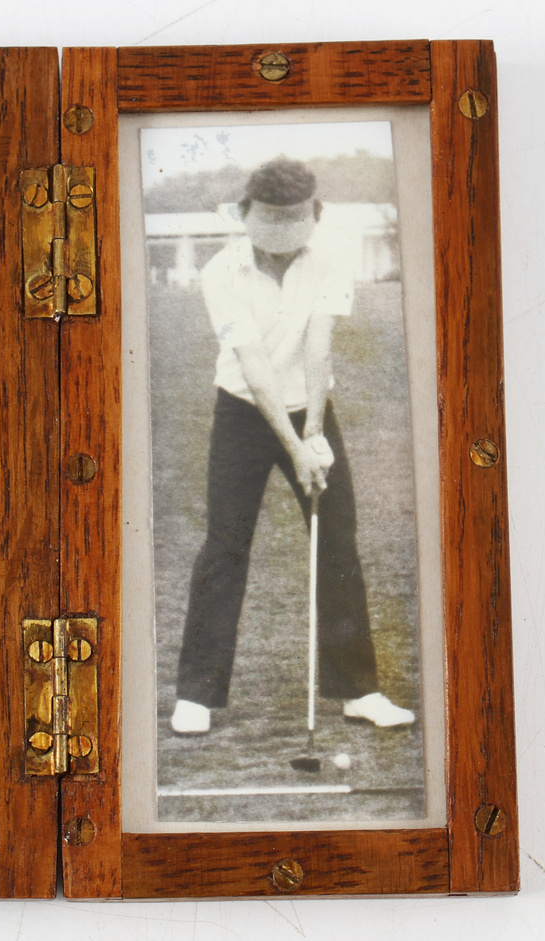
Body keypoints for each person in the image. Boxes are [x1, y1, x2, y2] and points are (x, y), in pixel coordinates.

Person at [170, 156, 415, 735]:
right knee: (225, 544)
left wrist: (313, 437)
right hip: (242, 412)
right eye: (267, 228)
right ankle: (197, 695)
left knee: (337, 540)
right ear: (246, 214)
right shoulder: (219, 273)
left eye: (291, 231)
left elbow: (319, 347)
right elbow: (254, 368)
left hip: (313, 407)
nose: (278, 246)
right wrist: (295, 444)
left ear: (315, 218)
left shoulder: (330, 256)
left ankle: (359, 691)